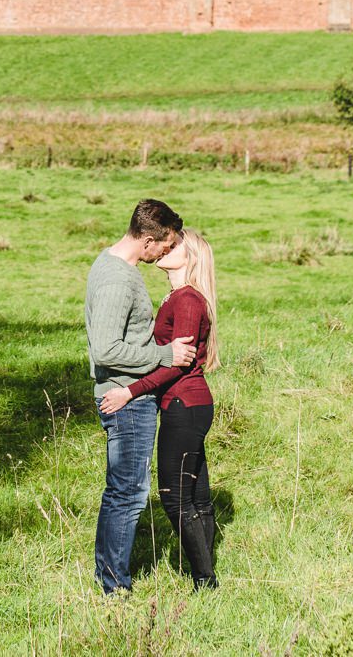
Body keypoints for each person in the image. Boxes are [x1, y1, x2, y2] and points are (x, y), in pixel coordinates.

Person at [85, 198, 196, 595]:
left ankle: (109, 578)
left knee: (123, 489)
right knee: (128, 492)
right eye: (165, 244)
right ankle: (114, 586)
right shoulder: (118, 279)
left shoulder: (112, 264)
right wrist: (166, 354)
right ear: (148, 240)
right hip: (127, 401)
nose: (167, 251)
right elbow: (107, 350)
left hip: (126, 395)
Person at [100, 227, 220, 589]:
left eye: (176, 244)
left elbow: (176, 364)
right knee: (197, 497)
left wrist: (129, 392)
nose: (167, 247)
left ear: (191, 256)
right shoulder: (176, 298)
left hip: (183, 403)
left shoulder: (186, 299)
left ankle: (204, 580)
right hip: (190, 403)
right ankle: (206, 574)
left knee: (174, 498)